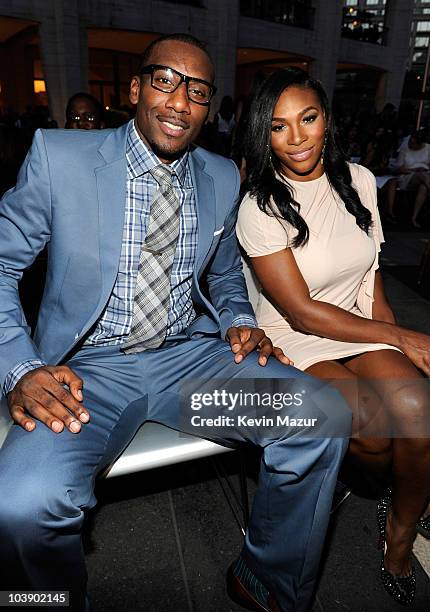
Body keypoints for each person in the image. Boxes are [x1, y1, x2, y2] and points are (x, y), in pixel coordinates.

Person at [0, 35, 350, 612]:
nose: (179, 101)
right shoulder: (59, 157)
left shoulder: (220, 175)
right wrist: (20, 367)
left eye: (197, 90)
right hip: (88, 373)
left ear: (208, 106)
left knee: (322, 415)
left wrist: (238, 318)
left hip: (190, 363)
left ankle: (267, 579)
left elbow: (227, 276)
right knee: (20, 506)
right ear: (135, 89)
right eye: (164, 81)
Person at [236, 67, 430, 606]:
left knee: (419, 411)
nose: (296, 138)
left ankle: (400, 531)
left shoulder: (361, 181)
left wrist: (391, 341)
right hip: (294, 338)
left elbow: (370, 276)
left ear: (327, 121)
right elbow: (300, 312)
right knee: (369, 429)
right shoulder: (260, 205)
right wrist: (403, 337)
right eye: (278, 126)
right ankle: (371, 476)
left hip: (358, 323)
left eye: (308, 119)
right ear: (263, 134)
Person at [385, 129, 430, 227]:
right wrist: (414, 170)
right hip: (407, 176)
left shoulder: (428, 149)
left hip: (424, 176)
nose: (410, 144)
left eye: (413, 143)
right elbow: (398, 168)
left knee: (423, 187)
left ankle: (414, 217)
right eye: (410, 141)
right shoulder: (405, 149)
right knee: (422, 176)